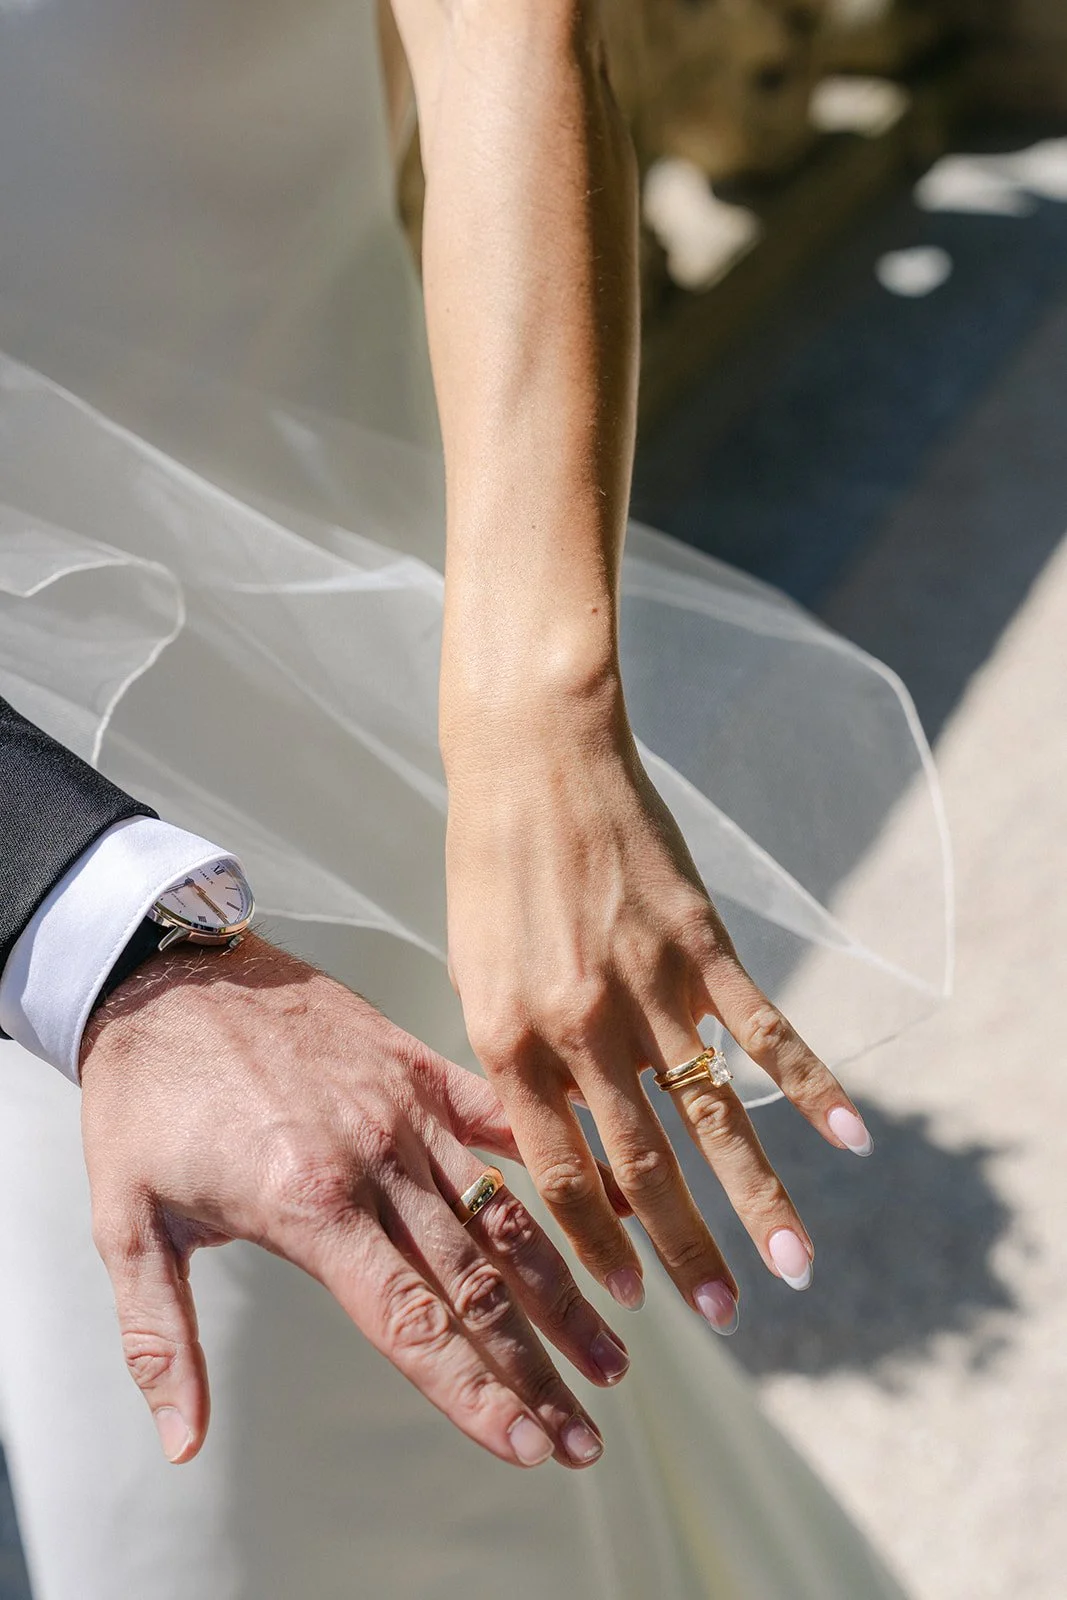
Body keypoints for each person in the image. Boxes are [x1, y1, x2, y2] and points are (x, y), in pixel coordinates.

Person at [0, 0, 946, 1595]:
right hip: (60, 893)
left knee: (328, 1464)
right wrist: (97, 943)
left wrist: (539, 715)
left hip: (358, 727)